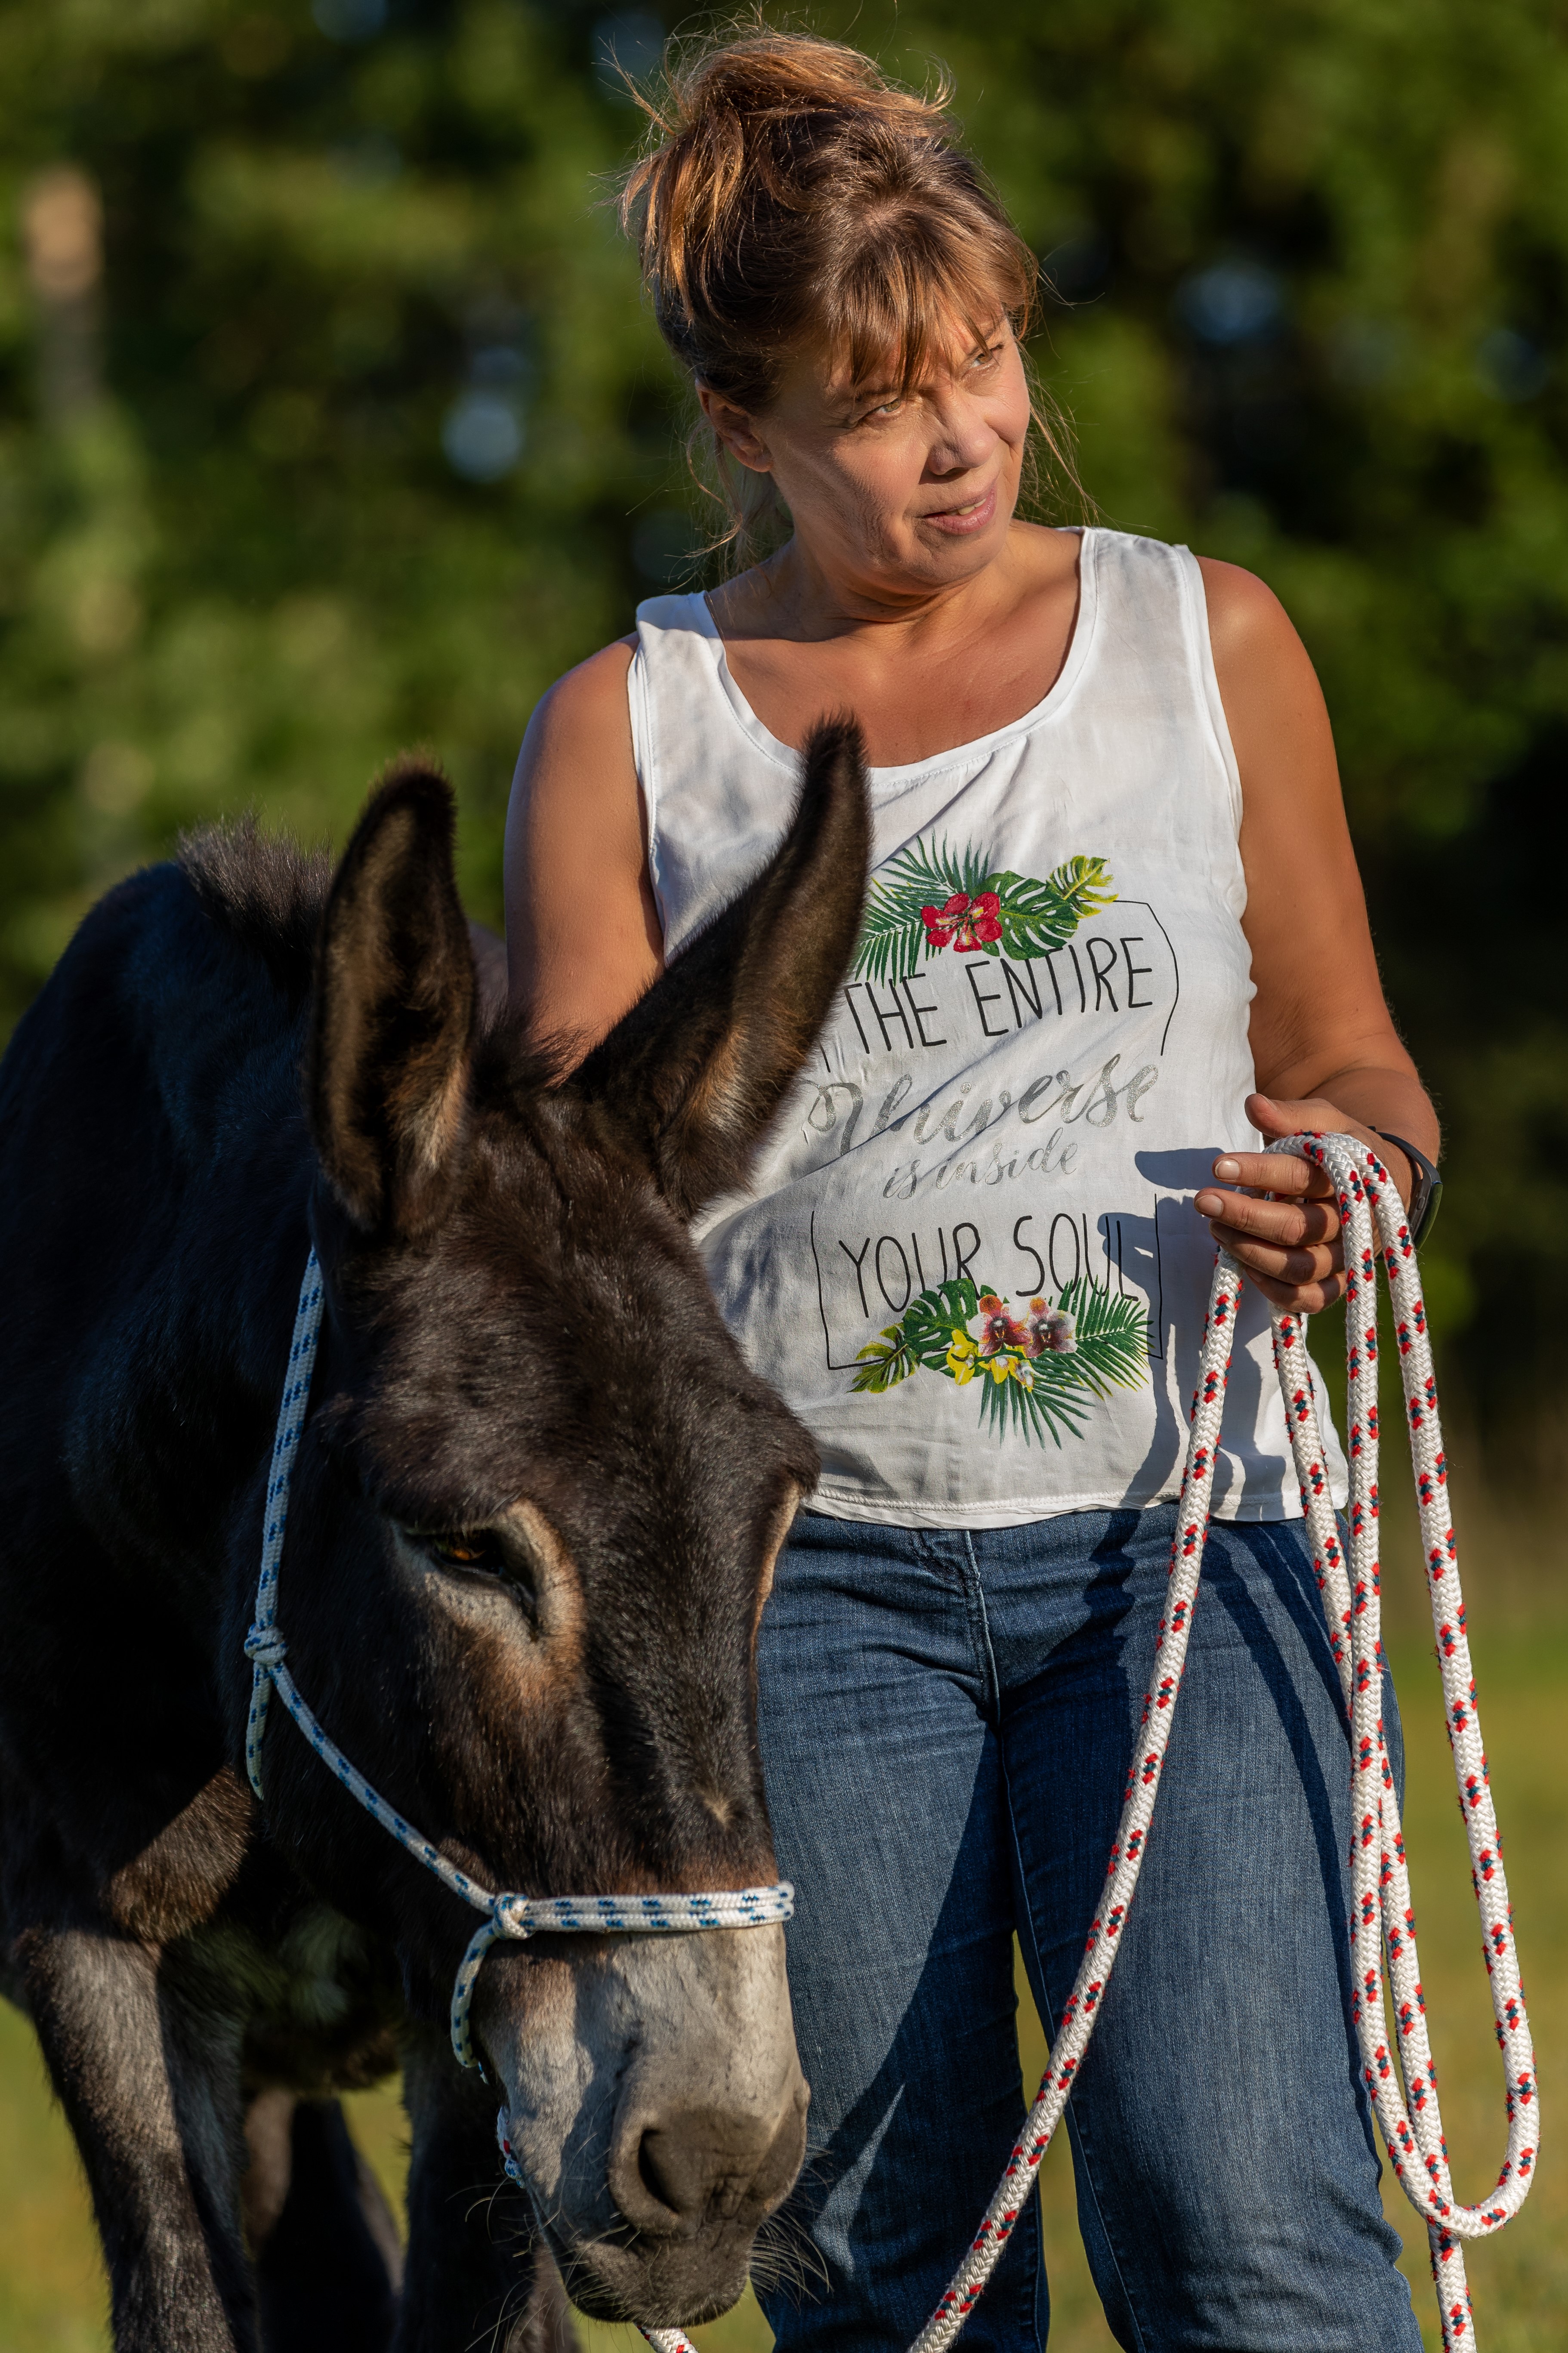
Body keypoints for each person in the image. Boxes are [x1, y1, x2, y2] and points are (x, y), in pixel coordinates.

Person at [504, 30, 1437, 2353]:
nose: (963, 436)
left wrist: (1349, 1176)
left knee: (1240, 2228)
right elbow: (563, 1198)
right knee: (880, 2263)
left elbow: (1351, 1058)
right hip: (805, 1602)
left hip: (1185, 1543)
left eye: (988, 359)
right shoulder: (636, 726)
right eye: (877, 399)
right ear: (743, 433)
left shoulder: (1201, 642)